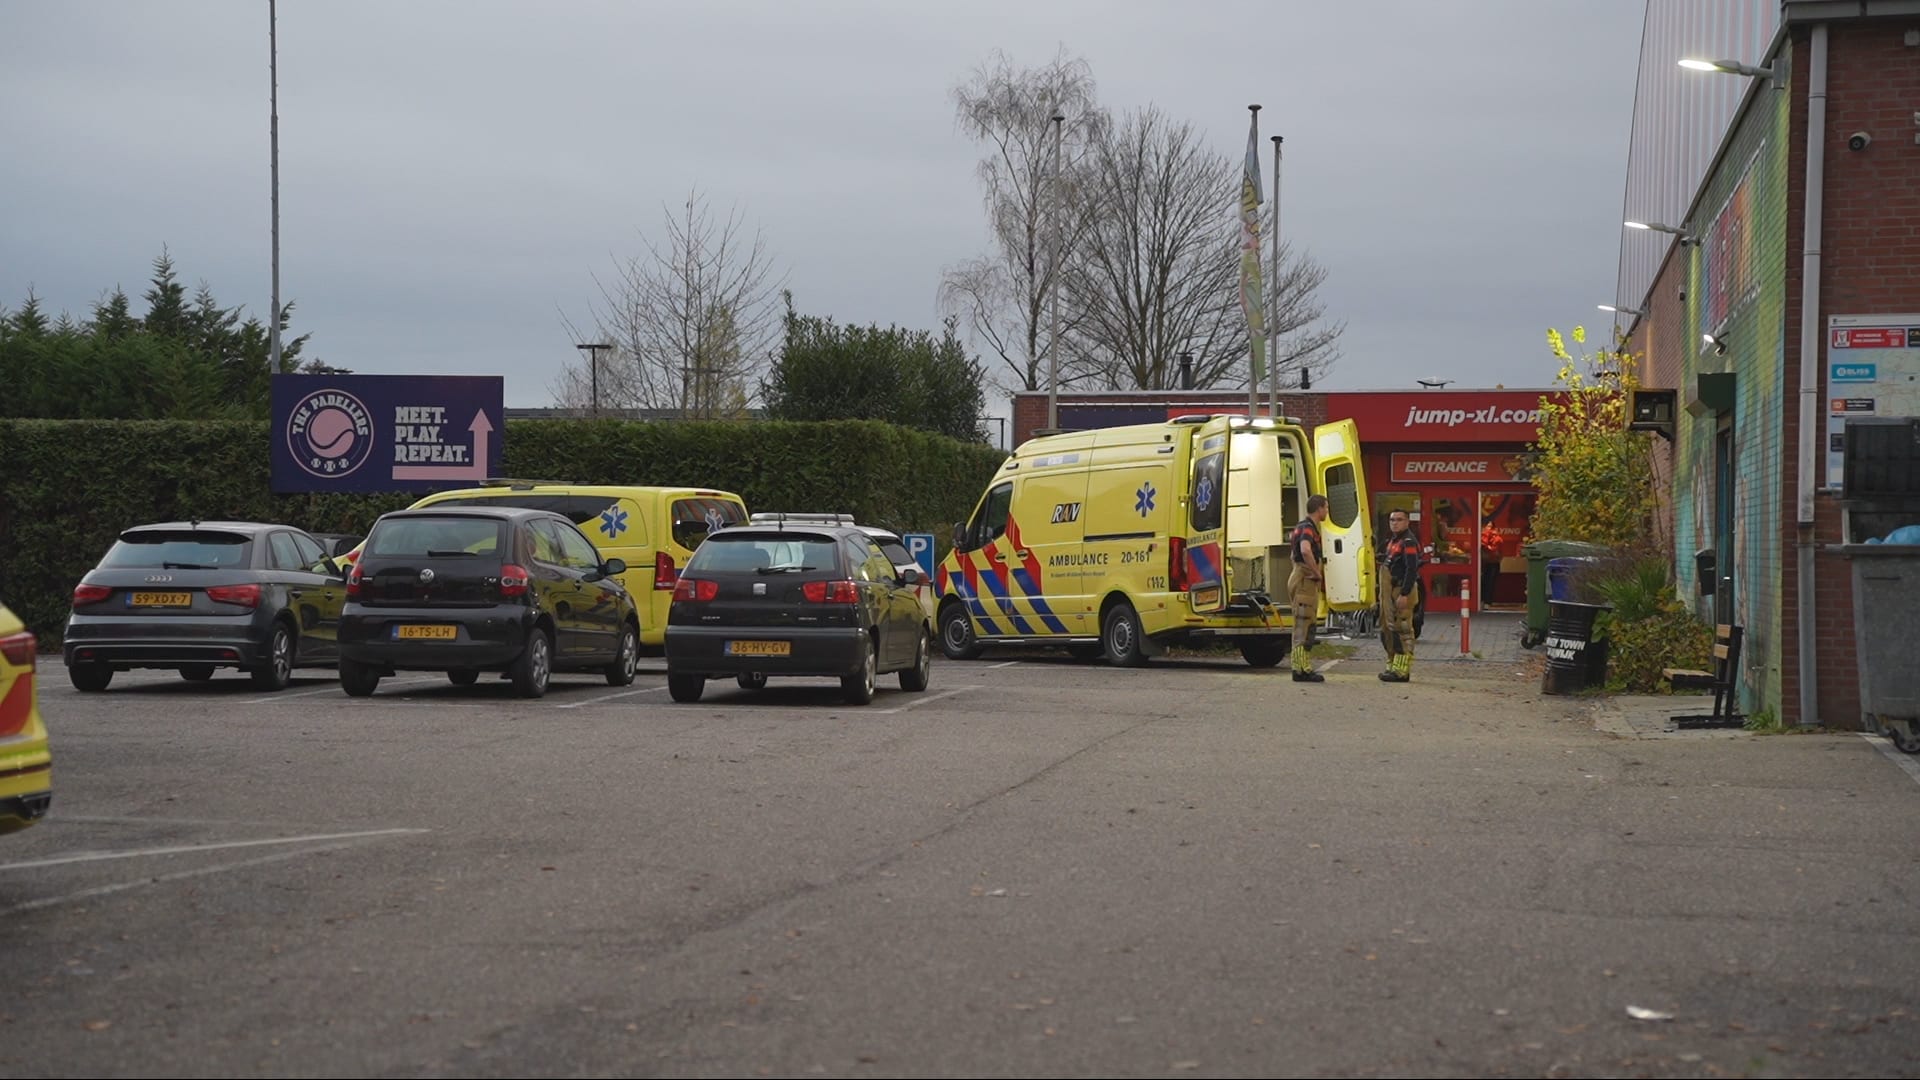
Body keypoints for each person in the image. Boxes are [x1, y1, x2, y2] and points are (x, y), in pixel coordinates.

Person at [1287, 494, 1330, 683]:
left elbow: (1292, 554)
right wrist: (1316, 572)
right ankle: (1300, 670)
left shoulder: (1301, 526)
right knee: (1303, 624)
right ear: (1319, 508)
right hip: (1305, 579)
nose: (1327, 512)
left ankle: (1302, 667)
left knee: (1305, 622)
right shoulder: (1307, 528)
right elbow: (1305, 550)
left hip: (1300, 576)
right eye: (1326, 508)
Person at [1379, 509, 1422, 682]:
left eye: (1399, 519)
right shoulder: (1393, 541)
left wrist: (1404, 593)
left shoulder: (1408, 541)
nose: (1394, 522)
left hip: (1401, 590)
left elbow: (1412, 569)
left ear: (1407, 522)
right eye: (1392, 519)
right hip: (1390, 592)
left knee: (1403, 630)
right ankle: (1393, 666)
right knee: (1389, 630)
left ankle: (1402, 671)